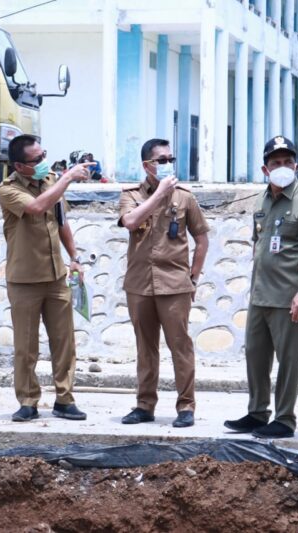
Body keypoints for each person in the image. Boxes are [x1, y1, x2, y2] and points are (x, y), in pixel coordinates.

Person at [224, 136, 298, 439]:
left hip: (289, 297)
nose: (282, 167)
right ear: (265, 169)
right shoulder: (262, 200)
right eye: (275, 163)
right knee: (255, 354)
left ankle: (284, 418)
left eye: (287, 162)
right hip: (261, 295)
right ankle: (257, 413)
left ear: (296, 165)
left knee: (289, 361)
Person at [0, 134, 94, 422]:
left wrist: (75, 258)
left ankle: (64, 399)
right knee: (26, 347)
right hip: (25, 279)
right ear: (19, 165)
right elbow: (36, 207)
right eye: (36, 160)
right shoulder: (8, 189)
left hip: (55, 276)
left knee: (64, 343)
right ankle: (28, 401)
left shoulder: (51, 181)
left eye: (43, 156)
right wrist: (68, 178)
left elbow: (60, 220)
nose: (43, 162)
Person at [118, 138, 210, 428]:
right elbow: (131, 222)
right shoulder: (130, 195)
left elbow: (202, 238)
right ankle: (144, 405)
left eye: (171, 159)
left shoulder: (185, 197)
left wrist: (193, 277)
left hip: (175, 284)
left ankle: (186, 406)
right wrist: (158, 194)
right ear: (147, 165)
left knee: (180, 346)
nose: (168, 164)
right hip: (140, 284)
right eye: (162, 160)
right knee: (146, 348)